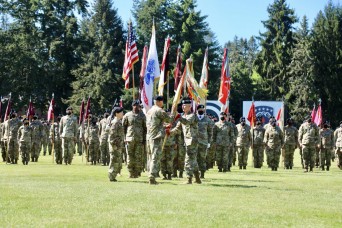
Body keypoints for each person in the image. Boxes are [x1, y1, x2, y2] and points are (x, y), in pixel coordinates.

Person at [170, 98, 201, 184]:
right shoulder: (183, 116)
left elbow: (187, 122)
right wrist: (169, 132)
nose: (183, 107)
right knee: (193, 160)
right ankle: (197, 178)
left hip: (192, 141)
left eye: (185, 105)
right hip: (187, 141)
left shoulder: (192, 116)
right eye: (182, 105)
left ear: (189, 106)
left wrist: (179, 117)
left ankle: (189, 179)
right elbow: (177, 129)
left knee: (188, 160)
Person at [146, 96, 173, 185]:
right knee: (155, 157)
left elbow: (155, 124)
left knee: (151, 157)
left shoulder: (150, 110)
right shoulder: (159, 110)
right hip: (156, 137)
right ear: (159, 102)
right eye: (162, 101)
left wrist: (164, 126)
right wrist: (174, 112)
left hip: (150, 136)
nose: (163, 103)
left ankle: (150, 174)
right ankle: (152, 177)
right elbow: (170, 119)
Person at [122, 100, 147, 178]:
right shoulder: (127, 115)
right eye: (134, 105)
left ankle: (137, 172)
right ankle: (130, 172)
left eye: (137, 105)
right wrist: (124, 137)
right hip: (129, 139)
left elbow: (145, 128)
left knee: (138, 157)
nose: (136, 107)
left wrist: (144, 139)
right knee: (129, 156)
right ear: (132, 106)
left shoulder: (142, 116)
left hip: (139, 139)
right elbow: (123, 127)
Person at [196, 104, 214, 177]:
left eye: (202, 110)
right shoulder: (194, 118)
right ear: (197, 110)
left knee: (202, 158)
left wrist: (209, 142)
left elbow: (210, 132)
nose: (201, 111)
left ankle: (202, 173)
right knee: (195, 158)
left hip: (204, 142)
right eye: (200, 110)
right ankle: (196, 173)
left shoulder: (208, 120)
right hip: (195, 141)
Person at [108, 107, 124, 182]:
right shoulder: (115, 122)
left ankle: (113, 176)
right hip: (115, 145)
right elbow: (112, 136)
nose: (122, 113)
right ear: (117, 114)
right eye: (121, 112)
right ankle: (111, 176)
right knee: (114, 160)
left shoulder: (119, 121)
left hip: (118, 145)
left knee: (117, 160)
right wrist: (115, 145)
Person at [161, 109, 176, 180]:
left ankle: (170, 175)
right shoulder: (161, 123)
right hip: (162, 144)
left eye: (169, 114)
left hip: (171, 144)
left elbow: (177, 132)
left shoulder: (173, 123)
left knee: (170, 160)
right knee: (162, 160)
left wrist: (176, 143)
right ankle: (164, 175)